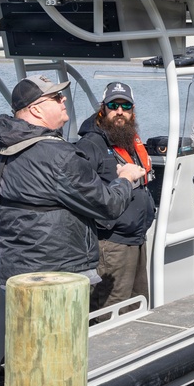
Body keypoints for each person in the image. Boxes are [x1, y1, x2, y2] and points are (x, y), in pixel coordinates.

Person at [0, 75, 148, 288]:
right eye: (56, 97)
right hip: (58, 277)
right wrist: (126, 178)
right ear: (36, 109)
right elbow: (108, 204)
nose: (64, 100)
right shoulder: (60, 156)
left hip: (17, 272)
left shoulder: (2, 150)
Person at [76, 82, 156, 312]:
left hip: (137, 240)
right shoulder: (90, 145)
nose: (119, 111)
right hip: (111, 245)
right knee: (111, 311)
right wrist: (107, 222)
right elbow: (81, 191)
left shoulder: (128, 140)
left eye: (125, 106)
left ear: (132, 111)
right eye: (113, 105)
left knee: (137, 306)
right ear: (103, 109)